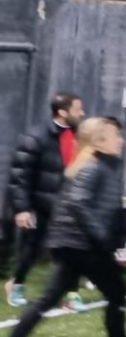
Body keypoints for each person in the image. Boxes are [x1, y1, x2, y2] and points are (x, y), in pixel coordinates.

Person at [0, 117, 126, 337]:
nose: (121, 140)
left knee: (50, 298)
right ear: (100, 142)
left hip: (73, 243)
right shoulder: (94, 168)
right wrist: (102, 237)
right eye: (116, 135)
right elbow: (78, 204)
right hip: (82, 245)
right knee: (117, 292)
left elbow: (112, 209)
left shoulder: (101, 167)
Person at [5, 92, 85, 308]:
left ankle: (72, 294)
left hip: (69, 205)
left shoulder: (80, 136)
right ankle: (17, 283)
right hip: (40, 206)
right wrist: (22, 208)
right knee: (31, 250)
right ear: (62, 112)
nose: (82, 113)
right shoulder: (35, 137)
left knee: (72, 249)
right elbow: (20, 176)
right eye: (78, 109)